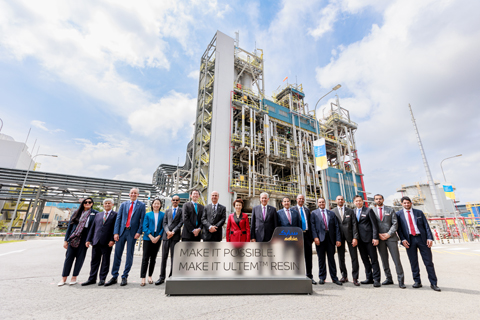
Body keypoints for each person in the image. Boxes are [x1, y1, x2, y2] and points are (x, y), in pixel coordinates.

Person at [396, 196, 440, 291]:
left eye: (408, 202)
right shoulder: (398, 214)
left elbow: (426, 225)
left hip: (422, 239)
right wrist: (402, 240)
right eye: (405, 203)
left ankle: (433, 283)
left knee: (428, 262)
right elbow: (399, 229)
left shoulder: (418, 212)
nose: (407, 204)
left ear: (411, 203)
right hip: (409, 240)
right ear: (402, 204)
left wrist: (429, 238)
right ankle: (417, 281)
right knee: (413, 262)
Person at [106, 188, 146, 287]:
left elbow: (142, 220)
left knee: (129, 255)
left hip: (132, 233)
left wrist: (139, 232)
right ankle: (114, 276)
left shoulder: (141, 205)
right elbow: (118, 219)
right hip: (121, 232)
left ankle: (124, 276)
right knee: (117, 255)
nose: (133, 194)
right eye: (131, 193)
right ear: (129, 194)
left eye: (135, 193)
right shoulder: (124, 205)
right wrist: (115, 233)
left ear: (138, 195)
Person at [58, 197, 98, 286]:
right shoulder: (76, 213)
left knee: (80, 258)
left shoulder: (95, 213)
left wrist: (91, 240)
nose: (87, 203)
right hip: (74, 237)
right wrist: (65, 240)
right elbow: (69, 227)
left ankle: (74, 277)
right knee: (69, 258)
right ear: (83, 203)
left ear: (92, 203)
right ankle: (63, 278)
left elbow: (96, 227)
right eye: (85, 202)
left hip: (85, 238)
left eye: (89, 202)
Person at [372, 194, 405, 288]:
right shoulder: (372, 211)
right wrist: (378, 234)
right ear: (374, 200)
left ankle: (401, 280)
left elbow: (395, 223)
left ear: (383, 199)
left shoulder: (390, 210)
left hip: (391, 238)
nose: (378, 200)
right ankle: (389, 278)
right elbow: (372, 224)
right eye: (376, 199)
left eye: (380, 199)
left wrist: (388, 234)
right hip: (380, 239)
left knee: (396, 260)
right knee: (384, 260)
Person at [82, 199, 117, 286]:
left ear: (112, 204)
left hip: (107, 242)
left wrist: (112, 240)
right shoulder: (98, 215)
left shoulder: (115, 215)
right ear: (103, 205)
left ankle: (102, 279)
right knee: (94, 261)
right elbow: (92, 228)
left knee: (105, 261)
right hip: (96, 241)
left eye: (109, 203)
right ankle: (92, 278)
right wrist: (88, 239)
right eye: (105, 203)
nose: (107, 205)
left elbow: (116, 228)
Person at [311, 197, 342, 285]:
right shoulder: (314, 213)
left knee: (331, 259)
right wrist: (315, 237)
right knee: (321, 259)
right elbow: (312, 226)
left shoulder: (331, 213)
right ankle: (322, 277)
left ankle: (334, 278)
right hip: (320, 239)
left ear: (325, 203)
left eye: (323, 202)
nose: (321, 203)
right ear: (317, 203)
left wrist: (338, 239)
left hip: (330, 239)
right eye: (319, 202)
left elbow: (336, 227)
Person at [353, 195, 381, 287]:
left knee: (373, 259)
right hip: (359, 240)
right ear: (354, 202)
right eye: (357, 201)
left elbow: (374, 225)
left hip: (369, 239)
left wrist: (375, 237)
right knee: (365, 259)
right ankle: (369, 278)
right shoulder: (353, 212)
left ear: (362, 201)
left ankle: (377, 279)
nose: (358, 202)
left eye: (360, 201)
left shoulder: (368, 210)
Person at [333, 195, 360, 286]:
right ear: (336, 201)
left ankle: (355, 277)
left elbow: (354, 225)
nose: (340, 200)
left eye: (342, 199)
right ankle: (344, 276)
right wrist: (336, 239)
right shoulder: (333, 212)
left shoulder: (350, 211)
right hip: (339, 238)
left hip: (350, 237)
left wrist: (355, 237)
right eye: (338, 199)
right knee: (341, 258)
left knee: (354, 257)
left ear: (344, 201)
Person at [157, 195, 183, 285]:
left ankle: (172, 276)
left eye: (177, 200)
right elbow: (164, 223)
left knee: (173, 258)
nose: (175, 201)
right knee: (164, 257)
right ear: (171, 201)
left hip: (175, 237)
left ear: (179, 201)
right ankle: (161, 277)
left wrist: (173, 232)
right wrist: (168, 232)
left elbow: (181, 223)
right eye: (173, 200)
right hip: (166, 237)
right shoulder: (167, 211)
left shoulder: (181, 211)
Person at [140, 199, 165, 286]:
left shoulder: (163, 214)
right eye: (155, 203)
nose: (156, 205)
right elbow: (144, 227)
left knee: (153, 259)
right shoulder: (148, 215)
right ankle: (143, 277)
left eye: (158, 204)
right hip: (148, 239)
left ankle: (150, 276)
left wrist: (158, 237)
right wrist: (150, 236)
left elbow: (163, 227)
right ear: (152, 205)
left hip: (157, 239)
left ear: (160, 205)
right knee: (145, 258)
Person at [296, 194, 316, 284]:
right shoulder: (292, 210)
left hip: (307, 235)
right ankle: (299, 276)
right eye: (299, 199)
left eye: (302, 199)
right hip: (297, 236)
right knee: (297, 257)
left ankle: (309, 276)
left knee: (308, 257)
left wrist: (312, 237)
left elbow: (311, 224)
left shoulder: (307, 210)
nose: (301, 200)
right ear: (296, 199)